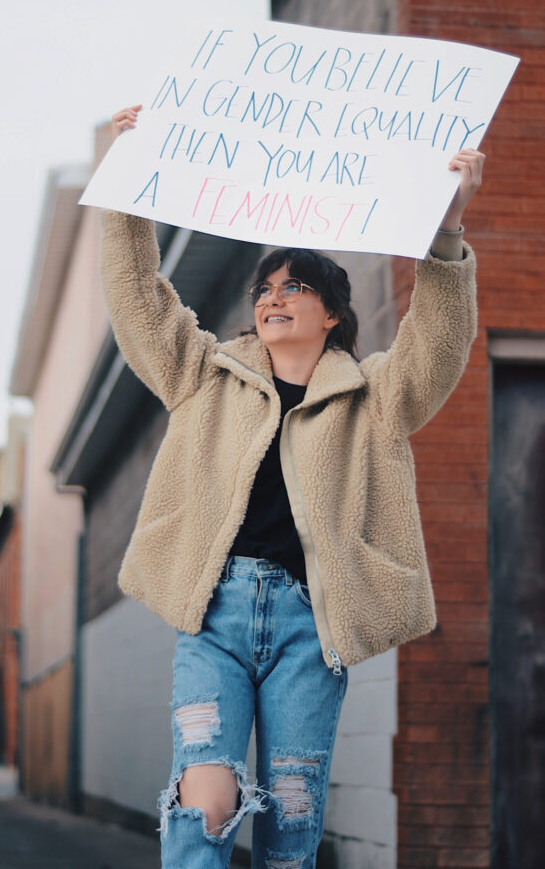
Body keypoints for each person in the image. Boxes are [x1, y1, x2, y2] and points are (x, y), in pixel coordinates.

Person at [102, 104, 482, 869]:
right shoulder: (203, 374)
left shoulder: (374, 396)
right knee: (204, 803)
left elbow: (438, 348)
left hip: (313, 630)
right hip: (214, 615)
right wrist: (127, 189)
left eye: (295, 286)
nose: (272, 296)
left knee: (292, 826)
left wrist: (445, 233)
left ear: (334, 313)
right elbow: (140, 298)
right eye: (264, 287)